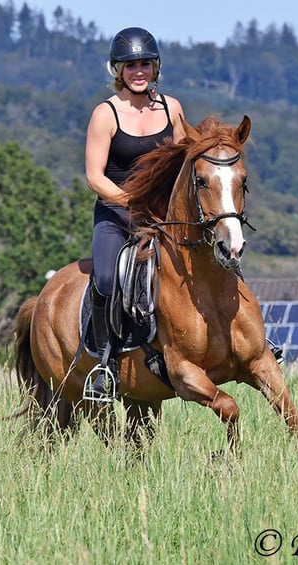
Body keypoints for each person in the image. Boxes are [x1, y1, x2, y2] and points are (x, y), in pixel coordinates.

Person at [84, 27, 186, 401]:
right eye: (130, 65)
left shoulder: (172, 109)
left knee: (215, 253)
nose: (138, 71)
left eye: (145, 63)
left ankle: (245, 338)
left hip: (160, 217)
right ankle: (104, 363)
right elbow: (95, 176)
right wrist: (133, 199)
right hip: (116, 213)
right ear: (118, 70)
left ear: (155, 67)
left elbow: (182, 166)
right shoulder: (106, 113)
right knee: (108, 277)